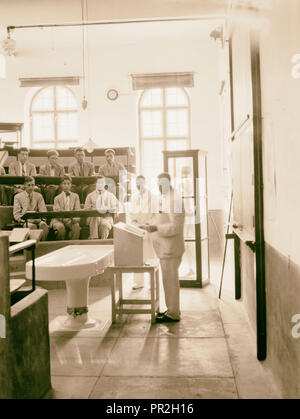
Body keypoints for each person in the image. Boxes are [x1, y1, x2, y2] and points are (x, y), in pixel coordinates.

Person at [140, 172, 185, 323]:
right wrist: (151, 224)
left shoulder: (175, 200)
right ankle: (171, 309)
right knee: (168, 281)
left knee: (171, 281)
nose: (160, 187)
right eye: (158, 184)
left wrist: (156, 228)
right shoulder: (166, 198)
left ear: (169, 183)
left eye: (163, 184)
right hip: (166, 248)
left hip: (171, 248)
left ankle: (173, 314)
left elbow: (176, 227)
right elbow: (163, 218)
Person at [129, 175, 155, 290]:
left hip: (148, 228)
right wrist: (135, 222)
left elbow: (155, 214)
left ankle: (153, 282)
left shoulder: (152, 197)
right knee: (137, 257)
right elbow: (131, 212)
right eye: (137, 183)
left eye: (141, 182)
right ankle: (139, 282)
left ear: (145, 183)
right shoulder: (134, 197)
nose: (139, 185)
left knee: (150, 256)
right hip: (137, 228)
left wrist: (148, 224)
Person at [13, 176, 49, 241]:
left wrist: (41, 219)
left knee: (44, 225)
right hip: (26, 221)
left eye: (32, 185)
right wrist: (24, 220)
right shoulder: (18, 197)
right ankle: (34, 246)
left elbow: (43, 211)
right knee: (32, 226)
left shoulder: (38, 196)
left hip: (37, 220)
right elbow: (16, 214)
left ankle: (42, 245)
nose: (31, 187)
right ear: (24, 185)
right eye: (28, 185)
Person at [51, 175, 81, 240]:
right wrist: (65, 220)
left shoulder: (75, 196)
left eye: (68, 184)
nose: (66, 186)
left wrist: (73, 219)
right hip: (59, 220)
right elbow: (57, 212)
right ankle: (60, 246)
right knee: (60, 227)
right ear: (61, 185)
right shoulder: (57, 198)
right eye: (64, 184)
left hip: (71, 220)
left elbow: (77, 210)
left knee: (76, 226)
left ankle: (74, 245)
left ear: (71, 185)